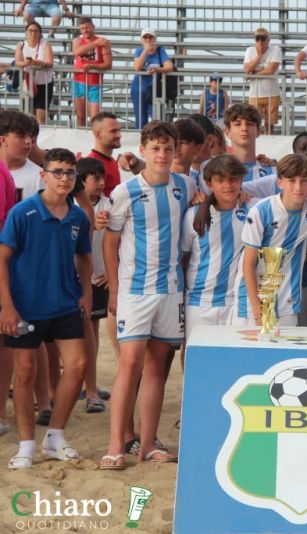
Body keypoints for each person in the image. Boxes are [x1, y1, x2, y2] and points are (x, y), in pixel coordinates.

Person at [101, 121, 197, 470]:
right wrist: (113, 288)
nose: (162, 154)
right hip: (135, 291)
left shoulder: (185, 186)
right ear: (143, 150)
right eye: (155, 148)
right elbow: (110, 240)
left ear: (175, 153)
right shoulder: (125, 192)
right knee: (129, 366)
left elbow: (212, 197)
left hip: (171, 291)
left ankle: (147, 444)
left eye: (168, 149)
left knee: (158, 370)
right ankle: (115, 445)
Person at [0, 148, 91, 470]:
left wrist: (86, 294)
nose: (65, 178)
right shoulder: (22, 213)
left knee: (78, 366)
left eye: (70, 172)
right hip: (25, 308)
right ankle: (26, 445)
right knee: (24, 373)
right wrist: (7, 306)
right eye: (58, 172)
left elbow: (83, 256)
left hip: (65, 303)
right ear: (44, 174)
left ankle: (55, 437)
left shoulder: (78, 216)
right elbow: (3, 258)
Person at [239, 154, 307, 328]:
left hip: (288, 304)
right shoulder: (261, 211)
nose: (298, 186)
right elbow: (247, 264)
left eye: (304, 181)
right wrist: (258, 311)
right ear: (279, 182)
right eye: (291, 180)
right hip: (253, 304)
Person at [183, 155, 248, 344]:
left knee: (231, 359)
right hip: (199, 301)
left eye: (233, 179)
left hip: (235, 302)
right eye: (220, 180)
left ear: (241, 181)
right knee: (194, 355)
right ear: (209, 183)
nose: (228, 185)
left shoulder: (252, 210)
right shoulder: (193, 215)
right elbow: (184, 257)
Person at [74, 157, 111, 414]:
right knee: (73, 336)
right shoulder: (70, 206)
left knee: (91, 333)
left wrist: (111, 271)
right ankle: (84, 385)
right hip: (73, 279)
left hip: (96, 278)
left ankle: (91, 387)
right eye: (94, 178)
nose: (100, 183)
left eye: (102, 178)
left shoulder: (111, 204)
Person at [71, 17, 111, 128]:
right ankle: (80, 142)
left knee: (95, 118)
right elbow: (77, 52)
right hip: (78, 81)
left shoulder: (103, 42)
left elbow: (108, 65)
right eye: (82, 29)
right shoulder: (77, 41)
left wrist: (92, 66)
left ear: (93, 27)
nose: (85, 30)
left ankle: (95, 141)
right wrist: (96, 44)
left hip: (95, 83)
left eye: (87, 27)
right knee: (80, 116)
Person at [130, 29, 173, 130]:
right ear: (141, 40)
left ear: (155, 39)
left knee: (156, 120)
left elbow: (169, 66)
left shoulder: (160, 50)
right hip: (138, 90)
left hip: (154, 90)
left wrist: (158, 69)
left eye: (150, 37)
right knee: (141, 120)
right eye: (145, 37)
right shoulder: (139, 51)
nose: (148, 39)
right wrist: (145, 50)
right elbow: (137, 67)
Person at [243, 28, 281, 135]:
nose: (260, 41)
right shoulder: (250, 50)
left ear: (268, 40)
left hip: (272, 93)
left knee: (270, 125)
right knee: (254, 123)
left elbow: (271, 70)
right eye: (257, 39)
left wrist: (254, 74)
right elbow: (246, 69)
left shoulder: (275, 49)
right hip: (255, 93)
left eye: (263, 38)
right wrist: (259, 56)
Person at [15, 21, 54, 125]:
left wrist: (37, 63)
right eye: (30, 30)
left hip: (44, 82)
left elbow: (50, 63)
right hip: (28, 82)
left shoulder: (45, 44)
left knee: (41, 116)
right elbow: (18, 63)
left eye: (36, 31)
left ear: (40, 33)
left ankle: (41, 139)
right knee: (29, 116)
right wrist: (27, 63)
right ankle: (31, 139)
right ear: (26, 33)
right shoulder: (21, 45)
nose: (33, 33)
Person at [0, 110, 41, 202]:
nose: (28, 141)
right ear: (3, 140)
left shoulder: (40, 176)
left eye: (30, 135)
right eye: (21, 136)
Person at [83, 112, 122, 197]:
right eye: (113, 131)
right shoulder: (92, 166)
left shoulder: (111, 160)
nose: (119, 135)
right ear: (98, 134)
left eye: (119, 130)